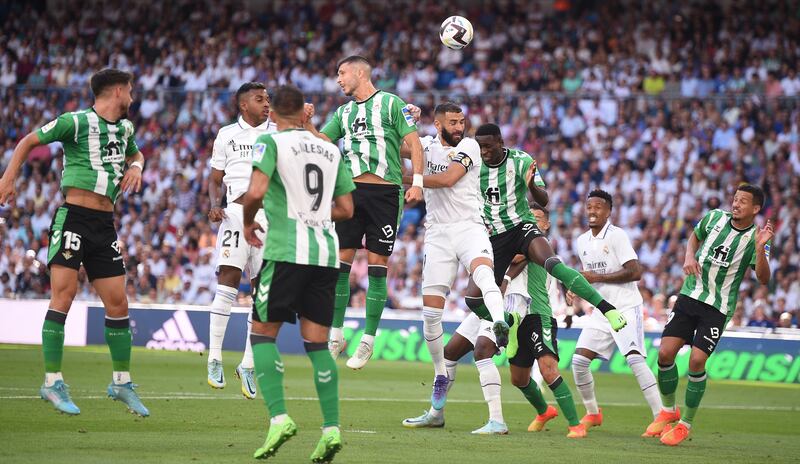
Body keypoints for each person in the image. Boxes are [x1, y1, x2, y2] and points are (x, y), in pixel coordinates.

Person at [0, 68, 149, 416]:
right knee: (63, 295)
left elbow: (136, 154)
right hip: (74, 217)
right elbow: (28, 141)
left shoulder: (126, 129)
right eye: (129, 90)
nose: (132, 96)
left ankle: (121, 382)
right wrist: (8, 179)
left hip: (104, 224)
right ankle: (52, 382)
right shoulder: (76, 122)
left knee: (118, 303)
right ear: (116, 92)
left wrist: (137, 166)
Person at [241, 84, 355, 462]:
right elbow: (346, 209)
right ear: (303, 113)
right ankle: (332, 428)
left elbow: (255, 192)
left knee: (261, 334)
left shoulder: (270, 143)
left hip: (286, 252)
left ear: (272, 113)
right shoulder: (330, 149)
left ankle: (278, 418)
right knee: (317, 344)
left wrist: (246, 223)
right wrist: (315, 214)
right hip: (325, 255)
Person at [466, 123, 627, 359]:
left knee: (553, 263)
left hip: (522, 226)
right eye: (480, 146)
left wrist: (531, 185)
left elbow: (544, 198)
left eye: (488, 146)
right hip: (494, 237)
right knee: (472, 299)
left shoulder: (520, 160)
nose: (484, 151)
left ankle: (608, 310)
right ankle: (509, 320)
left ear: (501, 142)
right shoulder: (474, 163)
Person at [305, 55, 424, 369]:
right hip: (351, 192)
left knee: (376, 266)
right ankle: (336, 335)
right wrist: (307, 123)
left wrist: (419, 182)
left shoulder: (391, 104)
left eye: (342, 73)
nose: (339, 79)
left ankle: (368, 340)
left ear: (360, 73)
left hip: (385, 192)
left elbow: (414, 143)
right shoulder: (343, 112)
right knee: (340, 266)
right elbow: (322, 141)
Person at [399, 102, 507, 434]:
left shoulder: (471, 146)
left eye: (462, 121)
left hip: (469, 227)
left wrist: (410, 177)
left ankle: (500, 320)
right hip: (438, 235)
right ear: (438, 123)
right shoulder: (425, 147)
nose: (460, 127)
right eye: (453, 122)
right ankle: (439, 377)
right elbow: (397, 142)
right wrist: (404, 119)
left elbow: (447, 179)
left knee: (484, 272)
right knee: (430, 314)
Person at [656, 184, 773, 446]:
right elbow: (694, 236)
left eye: (743, 201)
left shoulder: (758, 237)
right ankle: (667, 410)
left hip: (717, 308)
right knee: (664, 354)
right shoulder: (714, 218)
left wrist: (761, 249)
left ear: (756, 208)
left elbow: (763, 278)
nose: (736, 204)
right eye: (735, 199)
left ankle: (685, 424)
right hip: (690, 295)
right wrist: (689, 256)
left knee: (696, 361)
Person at [569, 190, 664, 436]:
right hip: (601, 310)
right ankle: (592, 413)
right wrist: (576, 289)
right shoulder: (581, 241)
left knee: (634, 359)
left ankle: (660, 415)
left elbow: (635, 271)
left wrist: (595, 277)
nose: (592, 211)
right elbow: (590, 278)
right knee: (578, 362)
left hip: (625, 308)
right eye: (589, 206)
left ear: (609, 211)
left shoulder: (617, 235)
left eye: (598, 207)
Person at [205, 82, 276, 399]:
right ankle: (214, 358)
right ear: (243, 104)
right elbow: (215, 178)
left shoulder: (277, 133)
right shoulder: (226, 134)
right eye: (260, 99)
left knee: (264, 296)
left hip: (270, 219)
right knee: (228, 287)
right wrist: (213, 204)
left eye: (268, 99)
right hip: (234, 213)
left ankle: (247, 364)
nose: (266, 104)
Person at [501, 204, 586, 438]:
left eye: (537, 218)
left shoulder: (540, 245)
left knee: (548, 370)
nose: (532, 222)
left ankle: (575, 424)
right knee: (518, 378)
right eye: (528, 217)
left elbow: (520, 256)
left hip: (539, 315)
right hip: (515, 317)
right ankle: (543, 411)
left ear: (546, 224)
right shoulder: (518, 241)